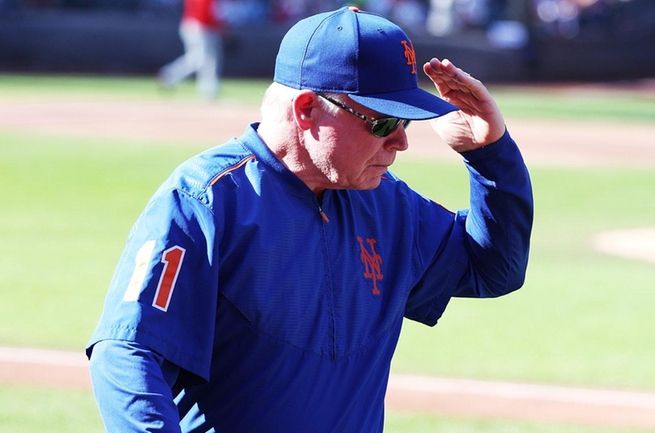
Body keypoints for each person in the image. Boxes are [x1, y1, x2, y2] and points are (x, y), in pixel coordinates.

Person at [87, 6, 533, 433]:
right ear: (306, 110)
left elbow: (493, 269)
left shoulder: (388, 206)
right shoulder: (206, 201)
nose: (400, 142)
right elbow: (128, 351)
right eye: (382, 123)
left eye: (407, 123)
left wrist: (490, 155)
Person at [158, 0, 224, 101]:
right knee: (200, 60)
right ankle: (170, 75)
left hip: (197, 25)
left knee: (207, 60)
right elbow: (204, 14)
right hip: (198, 26)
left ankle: (209, 91)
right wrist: (220, 28)